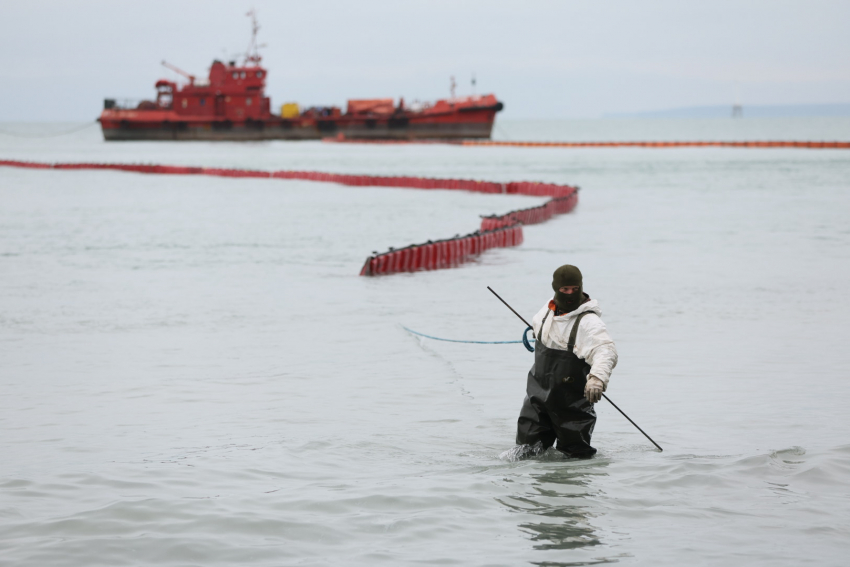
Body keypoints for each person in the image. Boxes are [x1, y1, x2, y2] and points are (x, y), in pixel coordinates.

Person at [515, 264, 618, 459]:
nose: (570, 294)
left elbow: (606, 350)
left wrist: (597, 379)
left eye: (574, 289)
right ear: (556, 289)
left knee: (575, 461)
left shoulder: (589, 322)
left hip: (572, 406)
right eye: (565, 290)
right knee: (524, 455)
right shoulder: (546, 310)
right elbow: (538, 328)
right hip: (537, 398)